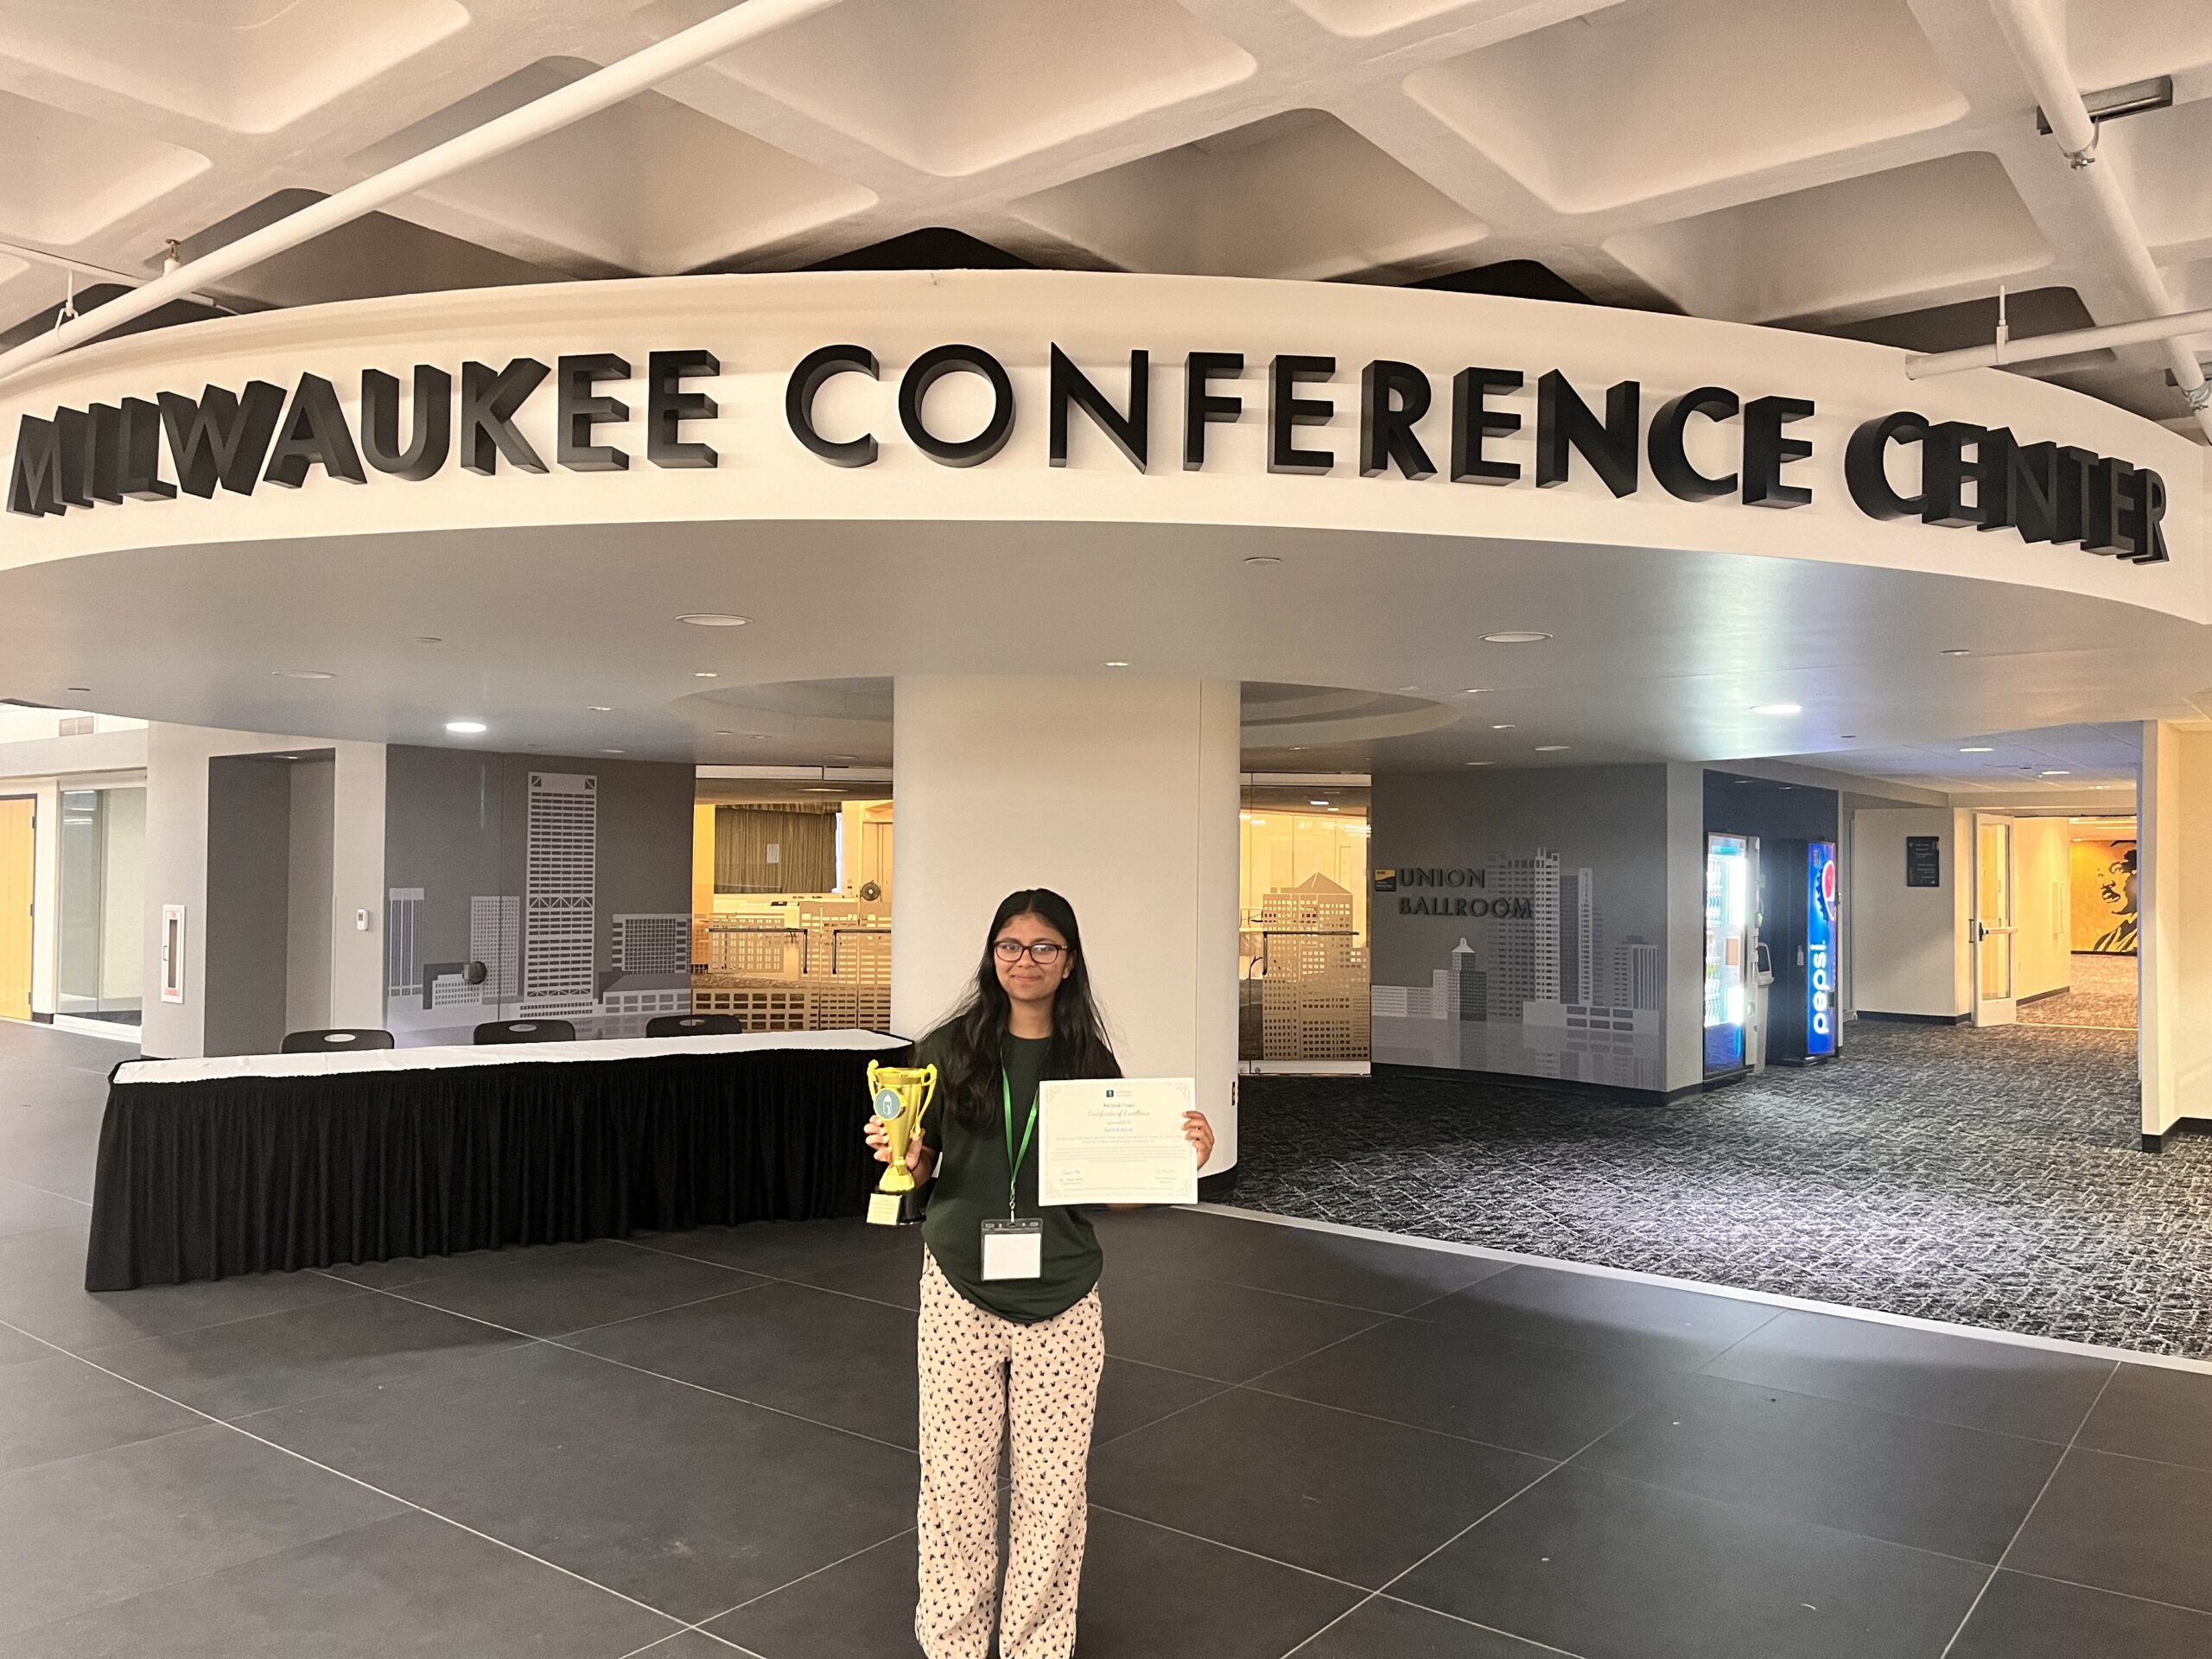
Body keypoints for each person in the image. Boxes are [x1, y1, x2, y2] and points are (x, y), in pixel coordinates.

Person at [865, 887, 1213, 1659]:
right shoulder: (947, 1048)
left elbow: (1116, 1196)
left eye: (1044, 947)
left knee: (1053, 1496)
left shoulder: (1089, 1062)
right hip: (959, 1290)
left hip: (1063, 1298)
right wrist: (903, 1157)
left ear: (1070, 962)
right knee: (953, 1487)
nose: (1025, 961)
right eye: (1010, 946)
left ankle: (1037, 1646)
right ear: (993, 955)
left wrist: (1180, 1159)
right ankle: (952, 1644)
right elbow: (919, 1168)